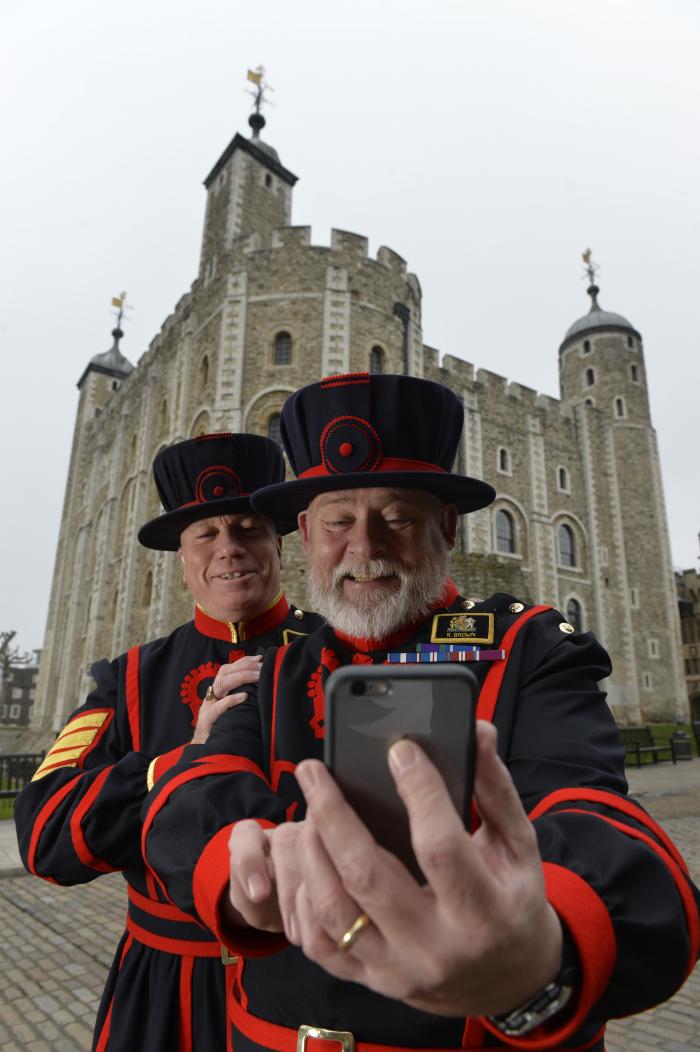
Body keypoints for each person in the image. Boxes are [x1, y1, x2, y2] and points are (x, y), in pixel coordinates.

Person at [142, 376, 700, 1052]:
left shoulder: (527, 650)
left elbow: (587, 807)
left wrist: (533, 949)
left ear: (445, 526)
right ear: (308, 538)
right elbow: (193, 791)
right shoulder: (276, 668)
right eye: (339, 520)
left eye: (397, 516)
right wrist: (236, 877)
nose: (365, 545)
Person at [15, 431, 321, 1052]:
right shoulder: (130, 677)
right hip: (169, 992)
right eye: (205, 535)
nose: (229, 549)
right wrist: (180, 761)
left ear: (279, 543)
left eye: (247, 529)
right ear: (181, 560)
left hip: (311, 985)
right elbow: (44, 836)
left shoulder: (338, 656)